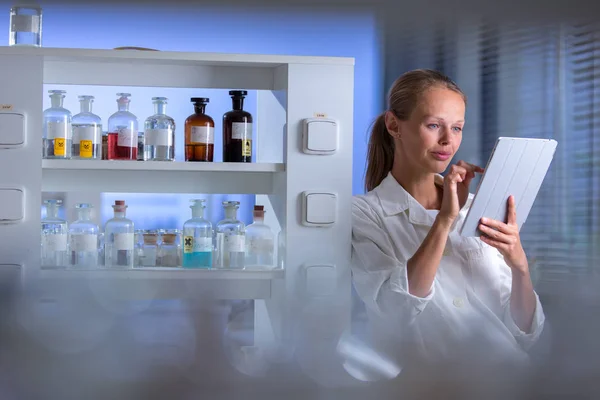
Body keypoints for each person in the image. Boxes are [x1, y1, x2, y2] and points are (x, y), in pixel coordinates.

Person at [351, 69, 545, 376]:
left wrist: (520, 266)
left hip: (509, 381)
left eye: (457, 128)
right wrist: (445, 221)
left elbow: (523, 333)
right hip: (430, 388)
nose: (447, 141)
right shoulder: (363, 214)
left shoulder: (477, 209)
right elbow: (394, 309)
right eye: (433, 125)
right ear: (393, 124)